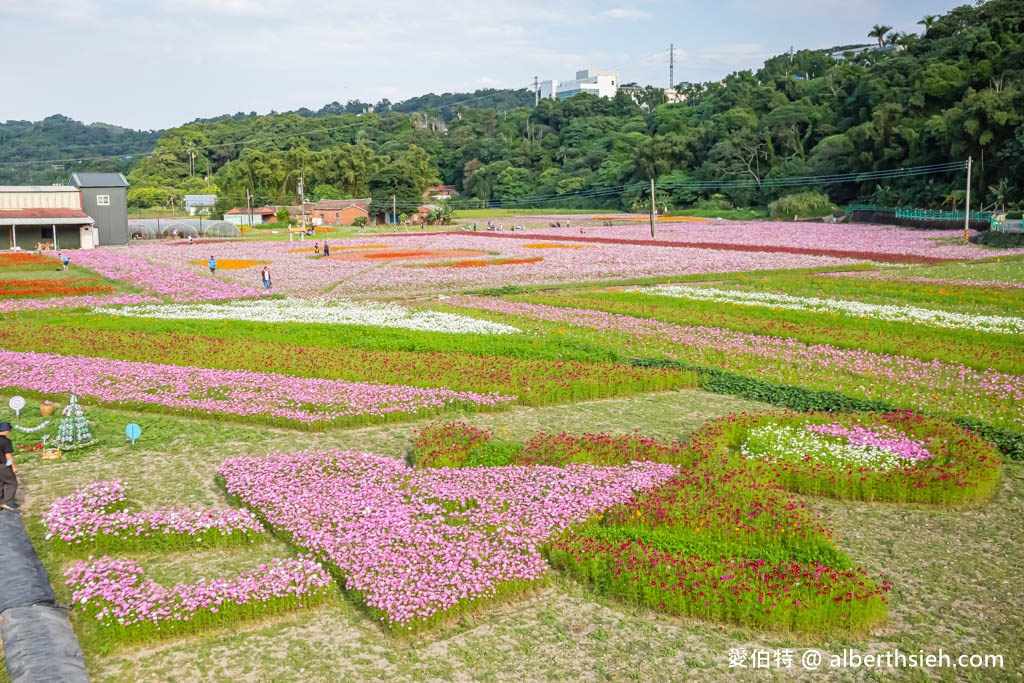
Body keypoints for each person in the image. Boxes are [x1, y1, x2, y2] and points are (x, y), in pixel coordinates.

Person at [0, 422, 17, 512]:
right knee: (12, 483)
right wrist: (13, 467)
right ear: (6, 431)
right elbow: (8, 456)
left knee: (1, 483)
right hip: (3, 466)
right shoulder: (6, 441)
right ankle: (4, 502)